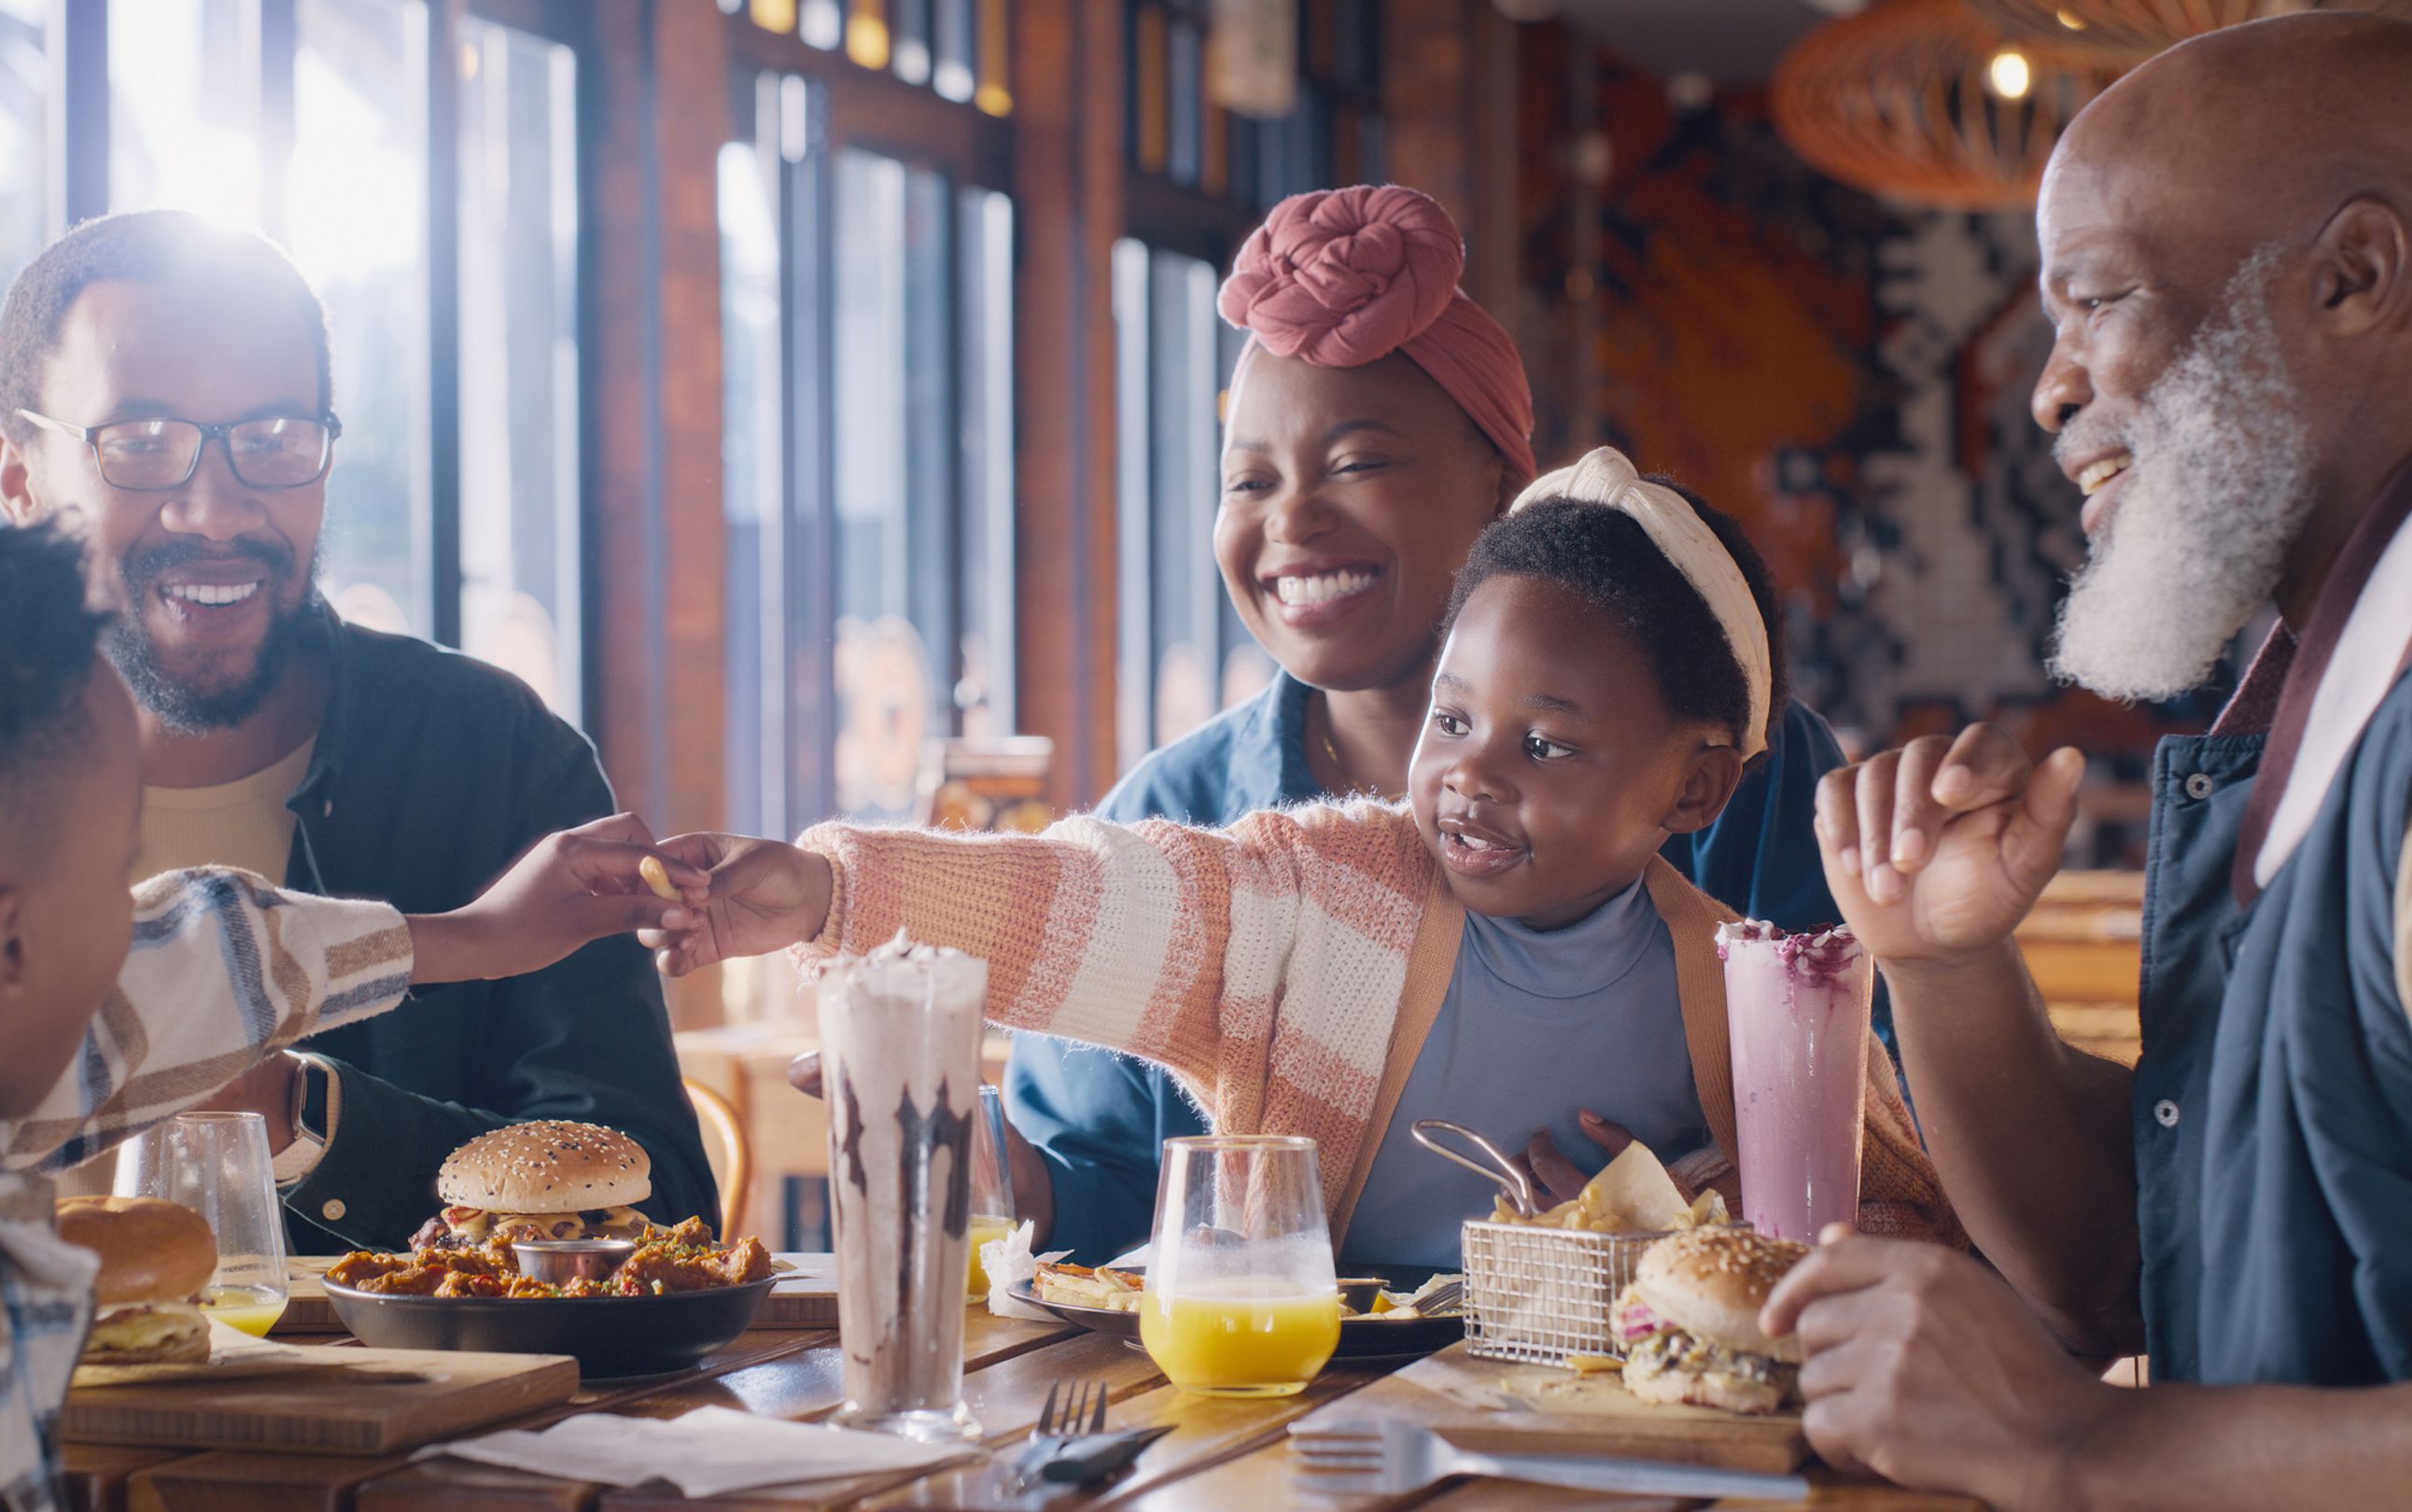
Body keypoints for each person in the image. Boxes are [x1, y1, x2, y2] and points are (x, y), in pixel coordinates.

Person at [0, 210, 716, 1247]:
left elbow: (657, 1214)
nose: (215, 507)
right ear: (17, 476)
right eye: (140, 443)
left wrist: (294, 1118)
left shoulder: (493, 756)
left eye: (272, 437)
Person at [0, 495, 701, 1512]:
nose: (132, 921)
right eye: (115, 876)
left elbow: (180, 975)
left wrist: (477, 937)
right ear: (6, 945)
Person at [653, 448, 1955, 1269]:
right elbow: (1096, 901)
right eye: (1452, 720)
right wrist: (835, 891)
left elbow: (1912, 1228)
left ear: (1696, 785)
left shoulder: (1755, 995)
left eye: (1548, 747)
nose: (1472, 775)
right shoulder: (1326, 896)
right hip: (1291, 1429)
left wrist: (1689, 1238)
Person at [1756, 14, 2412, 1509]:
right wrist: (1945, 965)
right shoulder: (2320, 676)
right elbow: (2143, 1270)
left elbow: (2112, 1396)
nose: (2050, 394)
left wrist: (2078, 1446)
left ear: (2356, 278)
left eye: (2098, 297)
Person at [1000, 184, 1851, 1266]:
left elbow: (1868, 1130)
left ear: (1501, 483)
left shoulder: (1752, 783)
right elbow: (1105, 1193)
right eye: (1249, 479)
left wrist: (1682, 1209)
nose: (1292, 521)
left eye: (1356, 464)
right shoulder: (1179, 812)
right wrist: (990, 1169)